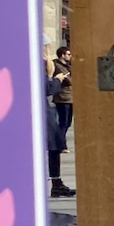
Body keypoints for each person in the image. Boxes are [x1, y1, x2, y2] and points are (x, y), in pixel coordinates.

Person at [44, 56, 74, 198]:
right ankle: (56, 183)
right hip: (42, 112)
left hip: (42, 111)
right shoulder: (36, 63)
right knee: (54, 146)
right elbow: (46, 89)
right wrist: (57, 80)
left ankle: (56, 183)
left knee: (54, 146)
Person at [53, 45, 75, 152]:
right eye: (68, 54)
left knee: (68, 122)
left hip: (70, 97)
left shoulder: (67, 66)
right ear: (62, 55)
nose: (70, 56)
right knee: (63, 122)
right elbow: (68, 81)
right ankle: (61, 145)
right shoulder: (57, 66)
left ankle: (61, 143)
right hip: (62, 97)